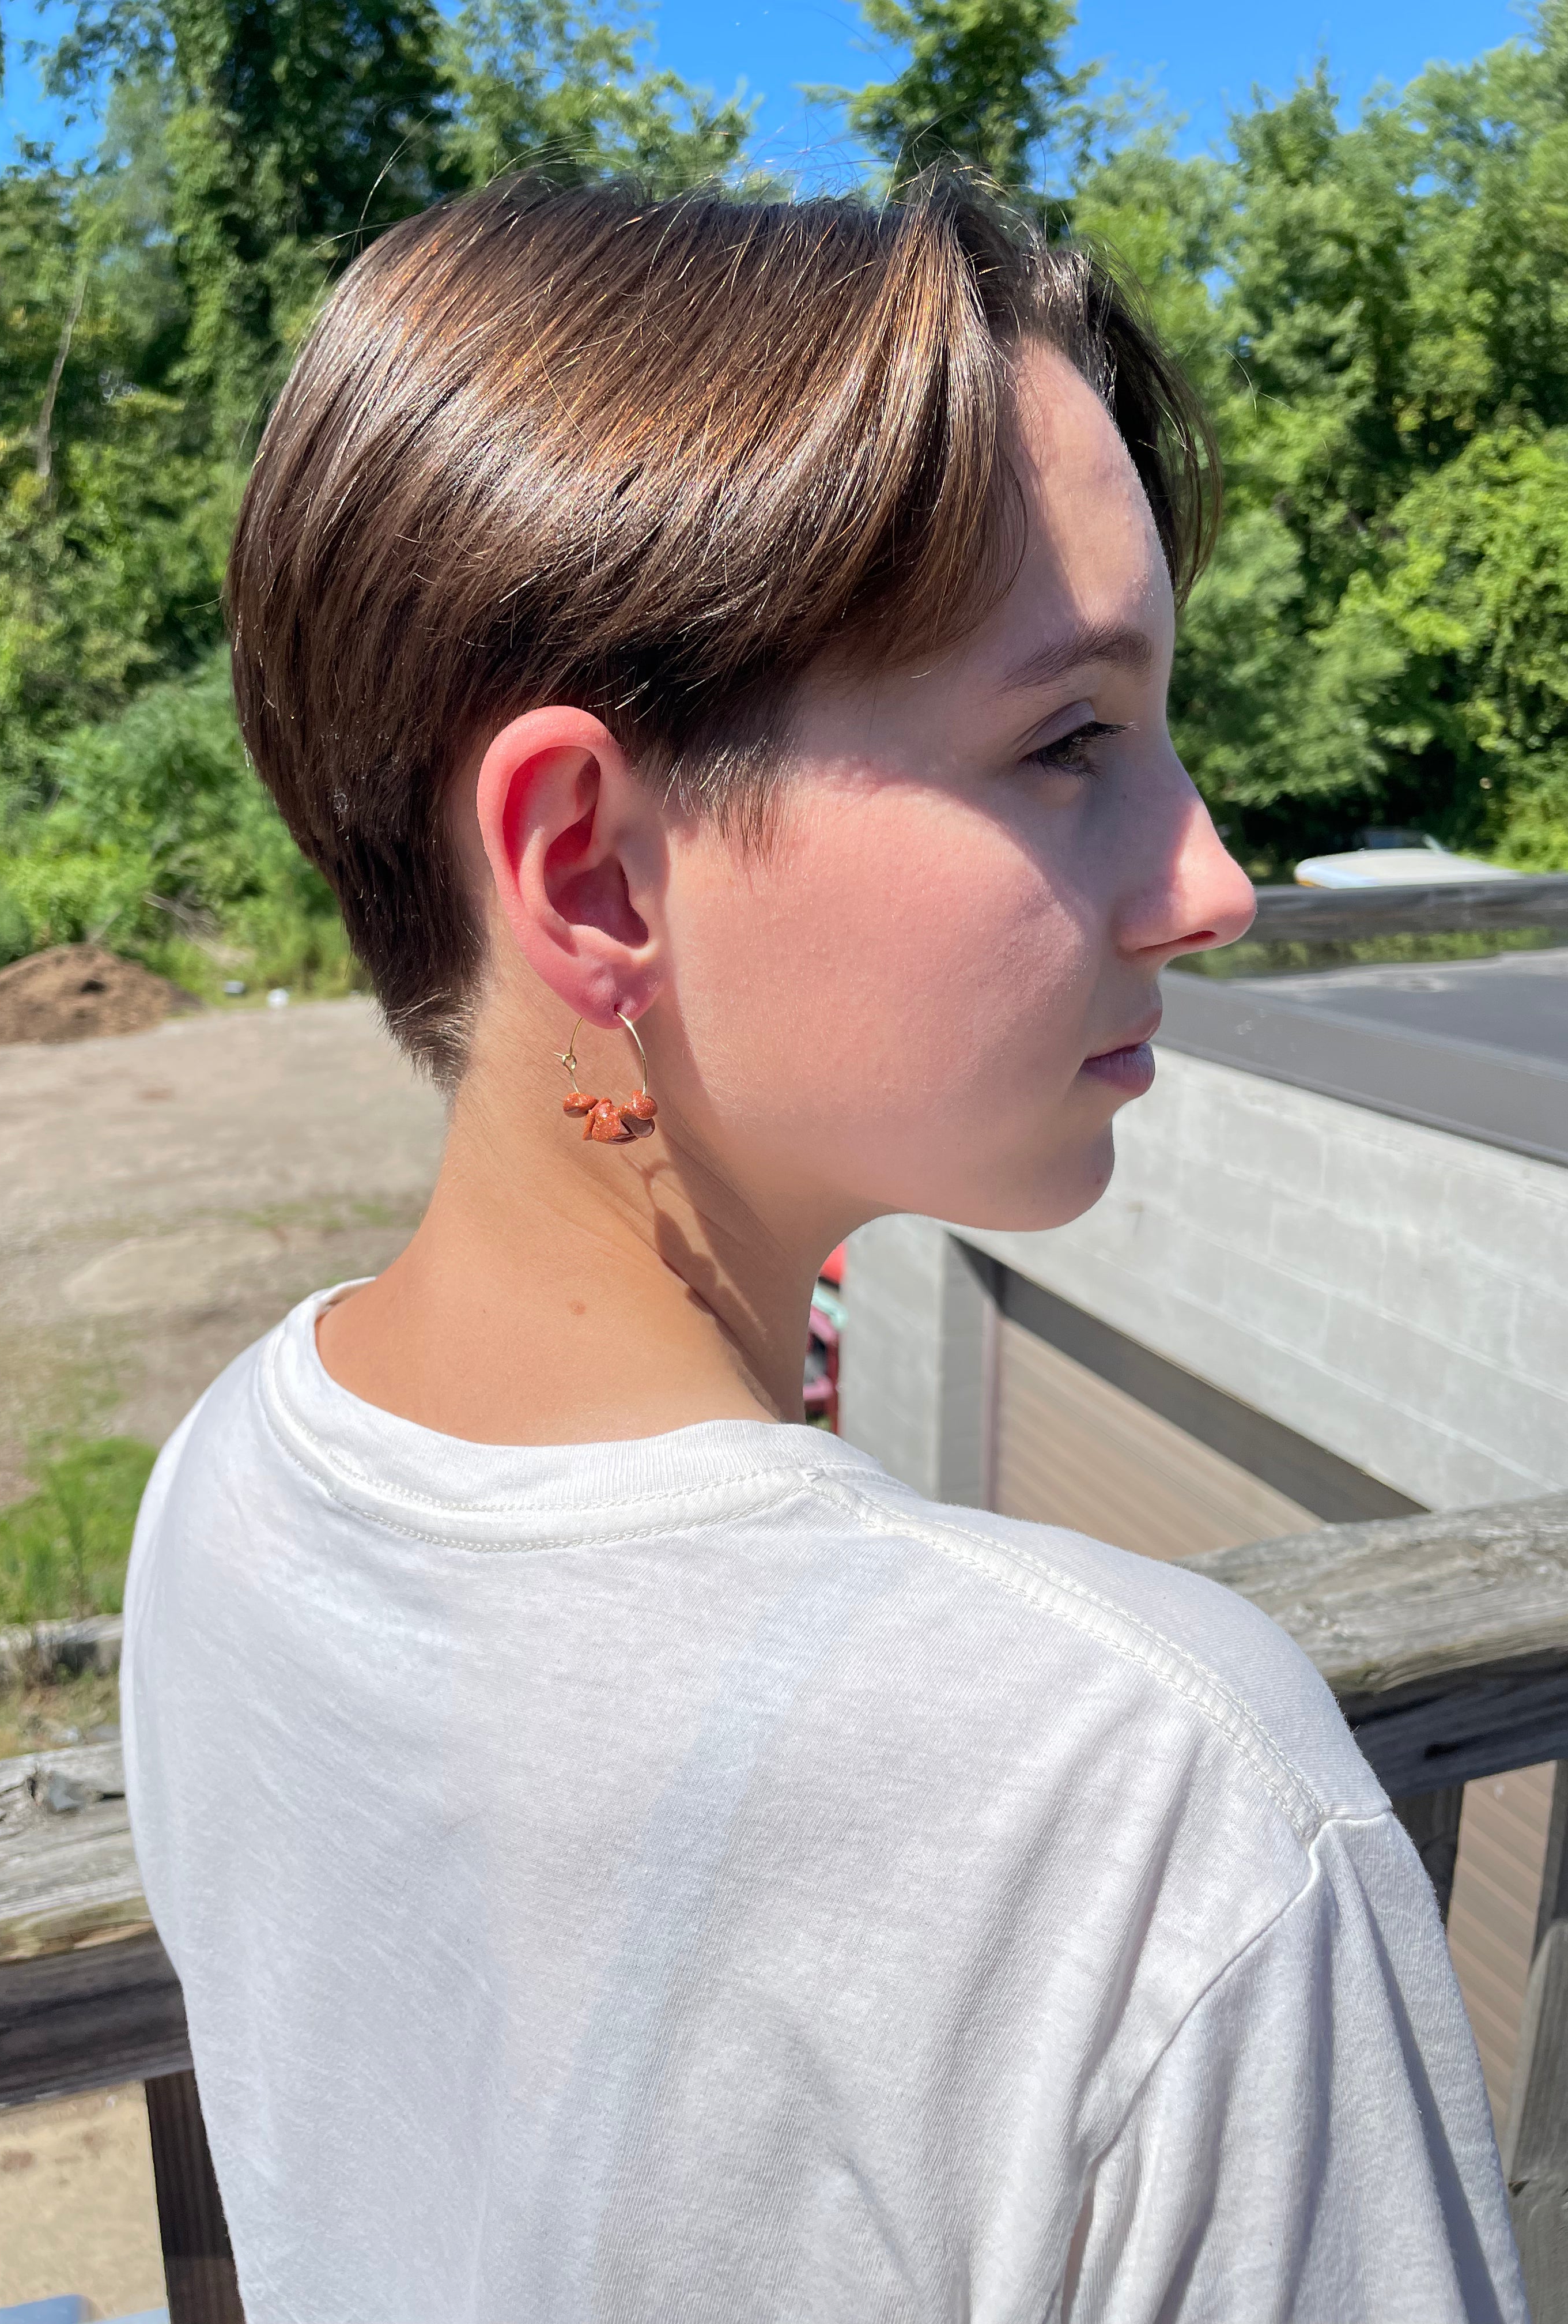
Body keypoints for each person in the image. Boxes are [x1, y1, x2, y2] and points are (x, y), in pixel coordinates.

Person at [121, 173, 1527, 2322]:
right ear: (592, 870)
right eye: (1070, 740)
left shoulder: (231, 1480)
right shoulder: (1150, 1807)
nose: (1216, 881)